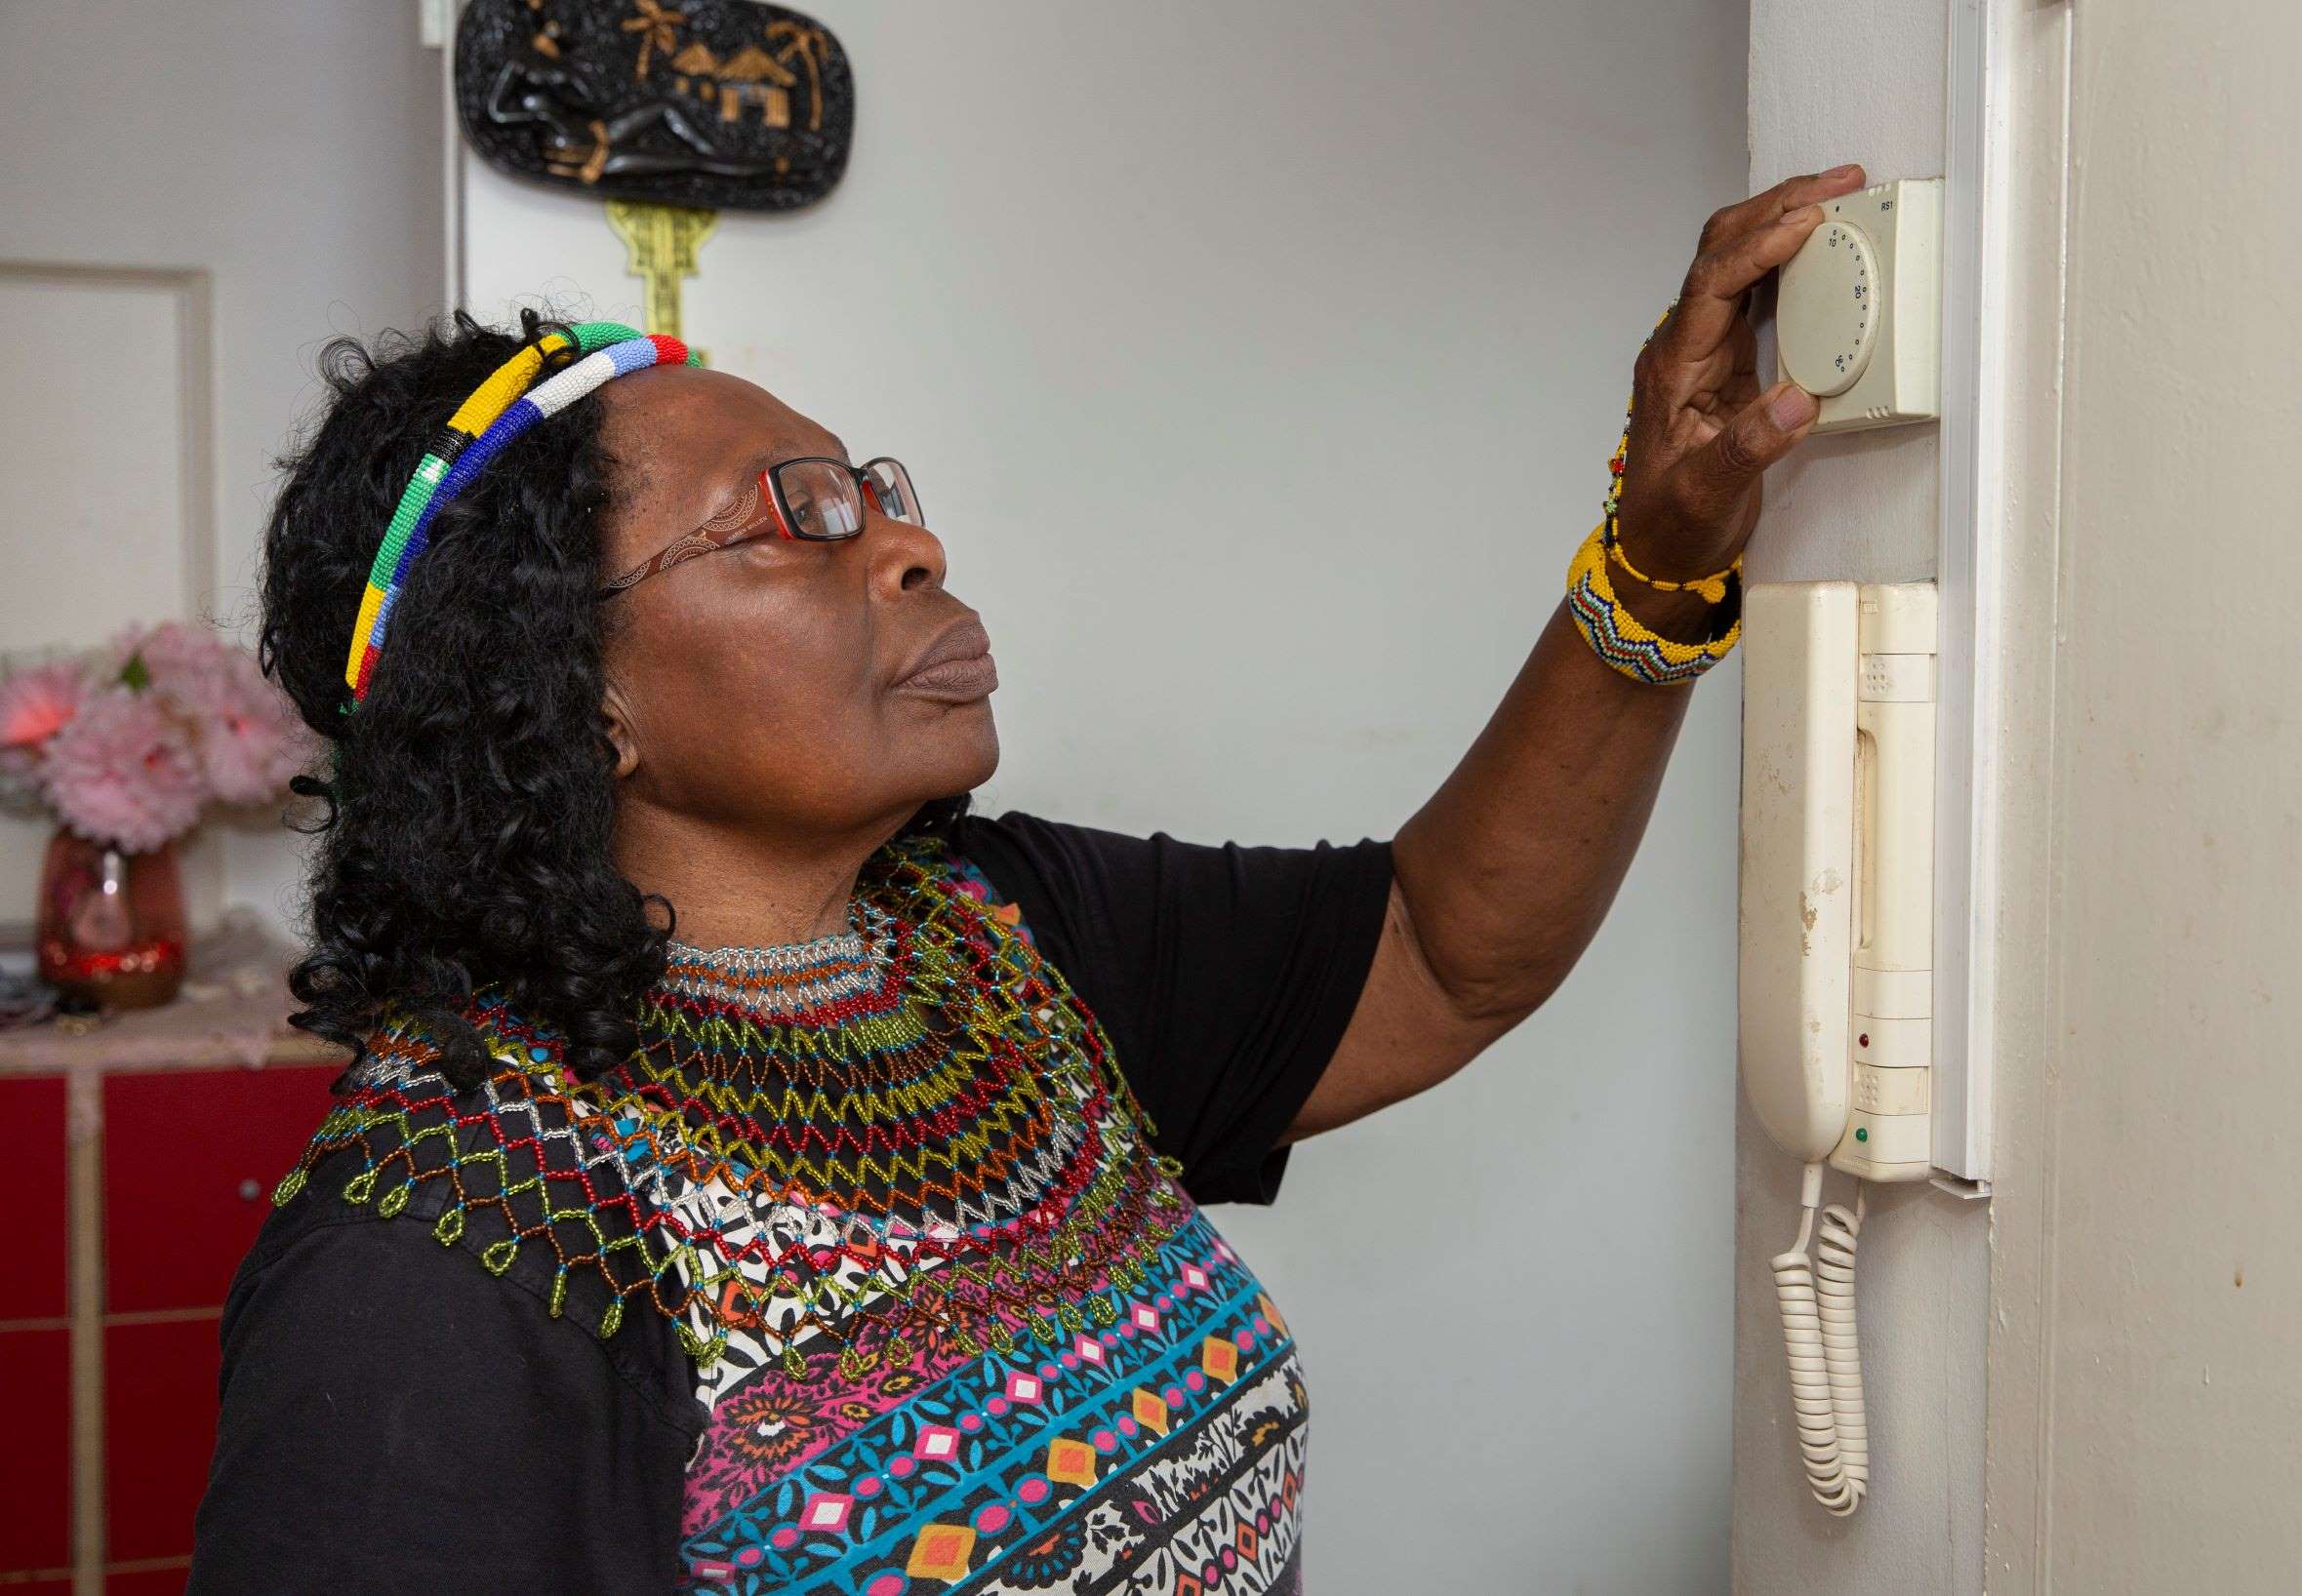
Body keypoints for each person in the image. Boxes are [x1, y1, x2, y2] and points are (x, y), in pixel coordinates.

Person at [187, 163, 1866, 1594]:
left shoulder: (997, 939)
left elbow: (1441, 950)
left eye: (875, 492)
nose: (908, 544)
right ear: (569, 691)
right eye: (792, 516)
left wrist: (1655, 567)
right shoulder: (441, 1255)